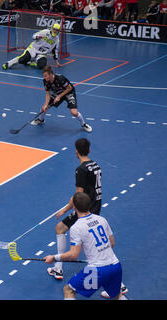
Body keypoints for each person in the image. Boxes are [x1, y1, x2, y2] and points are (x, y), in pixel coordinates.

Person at [47, 138, 127, 298]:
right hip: (94, 207)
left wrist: (64, 210)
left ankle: (58, 267)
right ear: (89, 150)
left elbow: (79, 194)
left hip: (84, 208)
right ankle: (116, 283)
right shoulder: (96, 165)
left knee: (61, 228)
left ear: (76, 151)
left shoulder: (81, 170)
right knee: (86, 237)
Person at [44, 192, 127, 300]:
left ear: (74, 207)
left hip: (97, 270)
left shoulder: (76, 227)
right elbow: (112, 243)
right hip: (115, 266)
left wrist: (54, 257)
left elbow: (73, 255)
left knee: (69, 290)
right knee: (116, 295)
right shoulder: (102, 219)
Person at [30, 66, 92, 132]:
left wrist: (59, 96)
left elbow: (69, 88)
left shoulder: (60, 78)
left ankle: (83, 124)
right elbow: (48, 94)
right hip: (58, 92)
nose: (44, 78)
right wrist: (45, 105)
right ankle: (40, 120)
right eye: (43, 76)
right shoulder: (45, 81)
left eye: (45, 76)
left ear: (51, 74)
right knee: (44, 108)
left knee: (74, 112)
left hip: (69, 92)